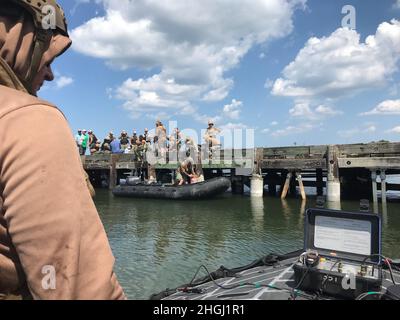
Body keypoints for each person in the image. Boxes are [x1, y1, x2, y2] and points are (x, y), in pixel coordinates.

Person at [0, 0, 125, 300]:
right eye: (46, 54)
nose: (51, 74)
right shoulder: (28, 120)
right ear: (23, 38)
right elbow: (78, 290)